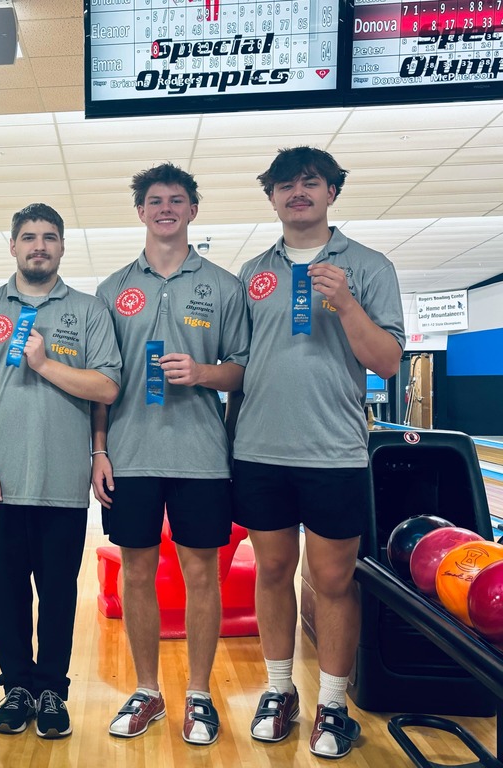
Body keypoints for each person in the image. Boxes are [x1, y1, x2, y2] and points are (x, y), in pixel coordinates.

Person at [230, 147, 404, 759]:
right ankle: (279, 691)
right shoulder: (253, 271)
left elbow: (387, 362)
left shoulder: (370, 266)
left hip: (334, 451)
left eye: (310, 182)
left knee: (331, 579)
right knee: (274, 571)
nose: (297, 192)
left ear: (332, 192)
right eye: (285, 185)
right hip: (260, 449)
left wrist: (348, 305)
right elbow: (241, 363)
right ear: (271, 197)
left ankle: (332, 704)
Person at [0, 203, 121, 740]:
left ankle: (51, 690)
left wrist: (45, 364)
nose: (38, 245)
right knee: (7, 594)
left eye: (48, 237)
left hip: (61, 483)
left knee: (58, 595)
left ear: (62, 246)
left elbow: (107, 387)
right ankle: (17, 687)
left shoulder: (90, 311)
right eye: (28, 237)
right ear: (13, 246)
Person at [92, 164, 249, 743]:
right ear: (140, 212)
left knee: (201, 574)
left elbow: (242, 371)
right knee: (136, 572)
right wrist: (99, 449)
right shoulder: (111, 290)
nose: (165, 208)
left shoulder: (225, 287)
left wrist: (203, 372)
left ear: (192, 211)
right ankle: (147, 690)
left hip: (201, 455)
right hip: (129, 454)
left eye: (176, 200)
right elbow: (102, 382)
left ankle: (200, 695)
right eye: (154, 200)